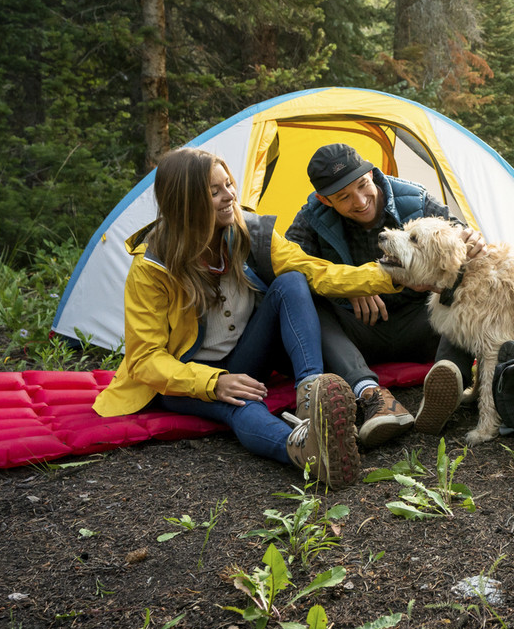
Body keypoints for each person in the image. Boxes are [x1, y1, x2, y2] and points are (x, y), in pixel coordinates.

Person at [93, 147, 400, 487]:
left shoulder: (247, 231)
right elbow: (146, 360)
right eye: (214, 191)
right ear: (185, 202)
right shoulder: (152, 267)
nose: (230, 196)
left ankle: (311, 396)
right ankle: (308, 453)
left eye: (228, 184)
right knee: (240, 405)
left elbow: (318, 273)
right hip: (183, 376)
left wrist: (393, 275)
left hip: (244, 356)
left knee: (292, 282)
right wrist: (213, 383)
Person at [285, 143, 477, 445]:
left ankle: (449, 377)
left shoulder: (415, 200)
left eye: (363, 186)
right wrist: (349, 288)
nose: (360, 201)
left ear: (372, 174)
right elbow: (284, 270)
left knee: (464, 281)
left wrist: (471, 238)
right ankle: (372, 396)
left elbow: (458, 238)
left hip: (424, 323)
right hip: (359, 333)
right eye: (343, 197)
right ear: (324, 199)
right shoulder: (310, 219)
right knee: (304, 302)